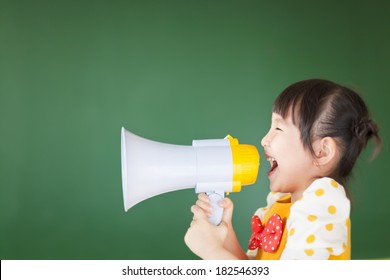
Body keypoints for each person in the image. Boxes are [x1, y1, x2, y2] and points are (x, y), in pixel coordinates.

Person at [184, 79, 381, 260]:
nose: (264, 140)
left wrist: (212, 252)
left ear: (322, 151)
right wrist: (225, 237)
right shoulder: (280, 205)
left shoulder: (322, 205)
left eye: (278, 129)